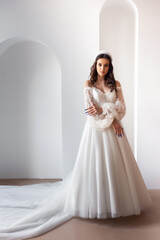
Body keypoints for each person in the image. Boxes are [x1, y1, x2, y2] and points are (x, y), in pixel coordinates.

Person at [0, 50, 152, 240]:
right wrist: (110, 116)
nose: (102, 68)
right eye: (99, 65)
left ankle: (115, 203)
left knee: (116, 168)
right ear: (95, 66)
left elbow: (123, 109)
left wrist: (108, 114)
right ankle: (96, 204)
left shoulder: (117, 84)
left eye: (106, 65)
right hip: (95, 131)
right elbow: (90, 111)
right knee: (95, 167)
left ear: (109, 67)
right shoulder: (88, 84)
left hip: (115, 132)